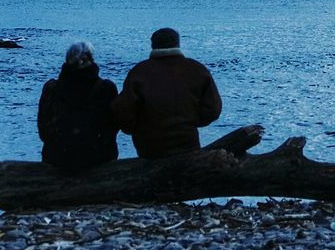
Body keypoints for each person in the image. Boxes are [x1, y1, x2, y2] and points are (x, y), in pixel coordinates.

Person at [112, 28, 222, 159]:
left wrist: (140, 128)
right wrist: (191, 122)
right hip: (188, 143)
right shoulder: (196, 69)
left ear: (153, 44)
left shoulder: (139, 72)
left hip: (149, 147)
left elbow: (123, 113)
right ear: (178, 44)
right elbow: (213, 109)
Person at [37, 41, 119, 170]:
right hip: (98, 157)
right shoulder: (106, 88)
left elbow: (43, 129)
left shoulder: (51, 88)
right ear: (91, 60)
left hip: (57, 157)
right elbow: (112, 127)